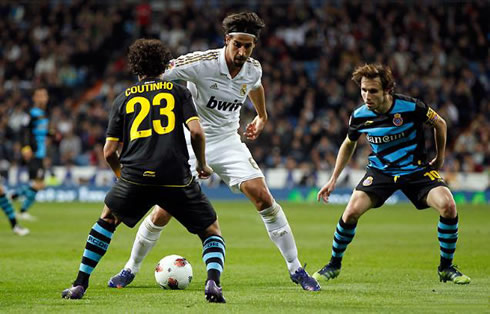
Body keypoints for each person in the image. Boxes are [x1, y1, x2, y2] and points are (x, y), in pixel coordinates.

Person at [108, 12, 320, 292]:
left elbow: (255, 86)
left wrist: (262, 116)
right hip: (188, 141)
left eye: (248, 46)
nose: (242, 51)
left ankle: (296, 269)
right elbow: (155, 76)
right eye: (238, 45)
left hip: (227, 141)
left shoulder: (253, 68)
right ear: (226, 40)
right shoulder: (200, 63)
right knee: (162, 212)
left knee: (263, 197)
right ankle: (130, 269)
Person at [62, 39, 227, 303]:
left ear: (136, 68)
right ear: (164, 66)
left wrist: (122, 177)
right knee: (210, 230)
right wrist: (202, 164)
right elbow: (196, 131)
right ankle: (213, 284)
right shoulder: (178, 92)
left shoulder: (123, 98)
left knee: (106, 220)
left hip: (135, 175)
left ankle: (79, 284)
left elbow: (108, 152)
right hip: (175, 178)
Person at [312, 64, 471, 285]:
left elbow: (440, 124)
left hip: (415, 170)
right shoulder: (359, 116)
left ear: (387, 89)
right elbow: (349, 143)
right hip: (381, 171)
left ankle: (446, 267)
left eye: (373, 91)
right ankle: (334, 264)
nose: (367, 95)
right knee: (350, 213)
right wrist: (333, 179)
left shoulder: (411, 106)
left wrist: (440, 157)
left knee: (448, 206)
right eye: (364, 90)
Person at [11, 87, 50, 221]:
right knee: (38, 183)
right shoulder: (30, 113)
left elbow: (42, 131)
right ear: (34, 98)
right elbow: (23, 131)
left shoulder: (44, 113)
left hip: (41, 153)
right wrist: (25, 147)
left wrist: (53, 133)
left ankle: (14, 199)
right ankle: (19, 207)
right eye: (39, 95)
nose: (43, 98)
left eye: (44, 95)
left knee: (40, 183)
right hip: (33, 152)